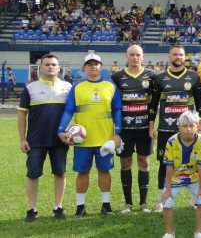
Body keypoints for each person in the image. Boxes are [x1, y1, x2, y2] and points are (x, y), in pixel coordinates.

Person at [57, 53, 123, 217]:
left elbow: (117, 110)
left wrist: (117, 133)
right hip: (82, 140)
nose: (93, 66)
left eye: (97, 64)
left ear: (101, 67)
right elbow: (68, 110)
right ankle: (80, 207)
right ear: (84, 67)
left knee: (104, 171)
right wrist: (60, 130)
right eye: (90, 64)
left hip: (105, 139)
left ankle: (106, 206)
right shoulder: (77, 86)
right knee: (82, 172)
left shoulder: (110, 86)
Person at [18, 54, 72, 222]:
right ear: (41, 67)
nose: (50, 67)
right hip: (35, 140)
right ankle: (32, 209)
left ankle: (58, 207)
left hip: (59, 140)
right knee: (33, 174)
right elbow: (22, 115)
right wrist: (23, 139)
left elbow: (73, 112)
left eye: (53, 64)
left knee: (60, 173)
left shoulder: (68, 87)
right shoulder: (30, 88)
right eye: (47, 64)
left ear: (59, 68)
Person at [150, 46, 201, 212]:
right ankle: (161, 199)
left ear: (184, 57)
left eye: (181, 54)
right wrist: (152, 126)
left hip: (189, 129)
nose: (178, 57)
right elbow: (153, 104)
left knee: (193, 162)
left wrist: (200, 124)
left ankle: (195, 198)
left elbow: (200, 104)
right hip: (166, 127)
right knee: (164, 164)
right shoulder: (160, 78)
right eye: (175, 54)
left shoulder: (193, 76)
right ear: (169, 56)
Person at [111, 45, 157, 214]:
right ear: (126, 56)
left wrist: (152, 125)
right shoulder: (116, 77)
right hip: (125, 129)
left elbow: (154, 102)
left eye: (138, 55)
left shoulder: (151, 76)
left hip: (145, 128)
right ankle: (128, 203)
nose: (135, 57)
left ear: (142, 57)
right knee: (125, 162)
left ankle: (143, 203)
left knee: (144, 162)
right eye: (132, 55)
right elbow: (113, 104)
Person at [161, 111, 201, 238]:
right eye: (185, 126)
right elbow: (169, 166)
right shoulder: (171, 141)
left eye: (192, 126)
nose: (188, 129)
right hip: (175, 177)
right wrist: (168, 189)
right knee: (167, 201)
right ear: (179, 127)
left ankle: (198, 232)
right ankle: (169, 233)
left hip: (194, 177)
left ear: (198, 126)